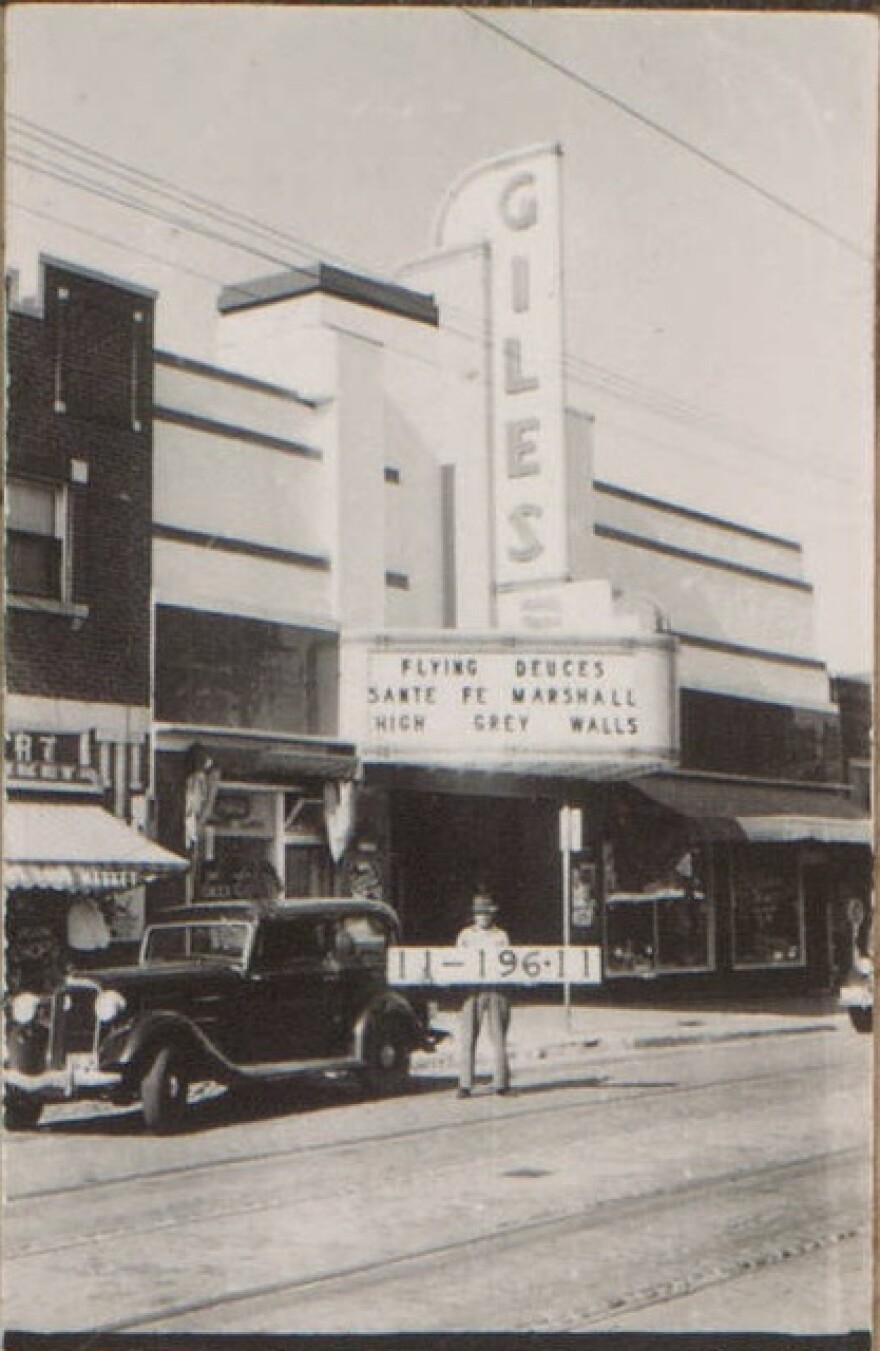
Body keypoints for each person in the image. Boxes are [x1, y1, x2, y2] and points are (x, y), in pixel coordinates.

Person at [455, 889, 512, 1098]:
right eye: (479, 913)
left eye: (486, 913)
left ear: (492, 914)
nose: (482, 917)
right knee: (468, 1036)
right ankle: (465, 1084)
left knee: (498, 1036)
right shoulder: (465, 936)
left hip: (496, 988)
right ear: (473, 915)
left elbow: (509, 962)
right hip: (472, 989)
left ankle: (501, 1083)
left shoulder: (501, 936)